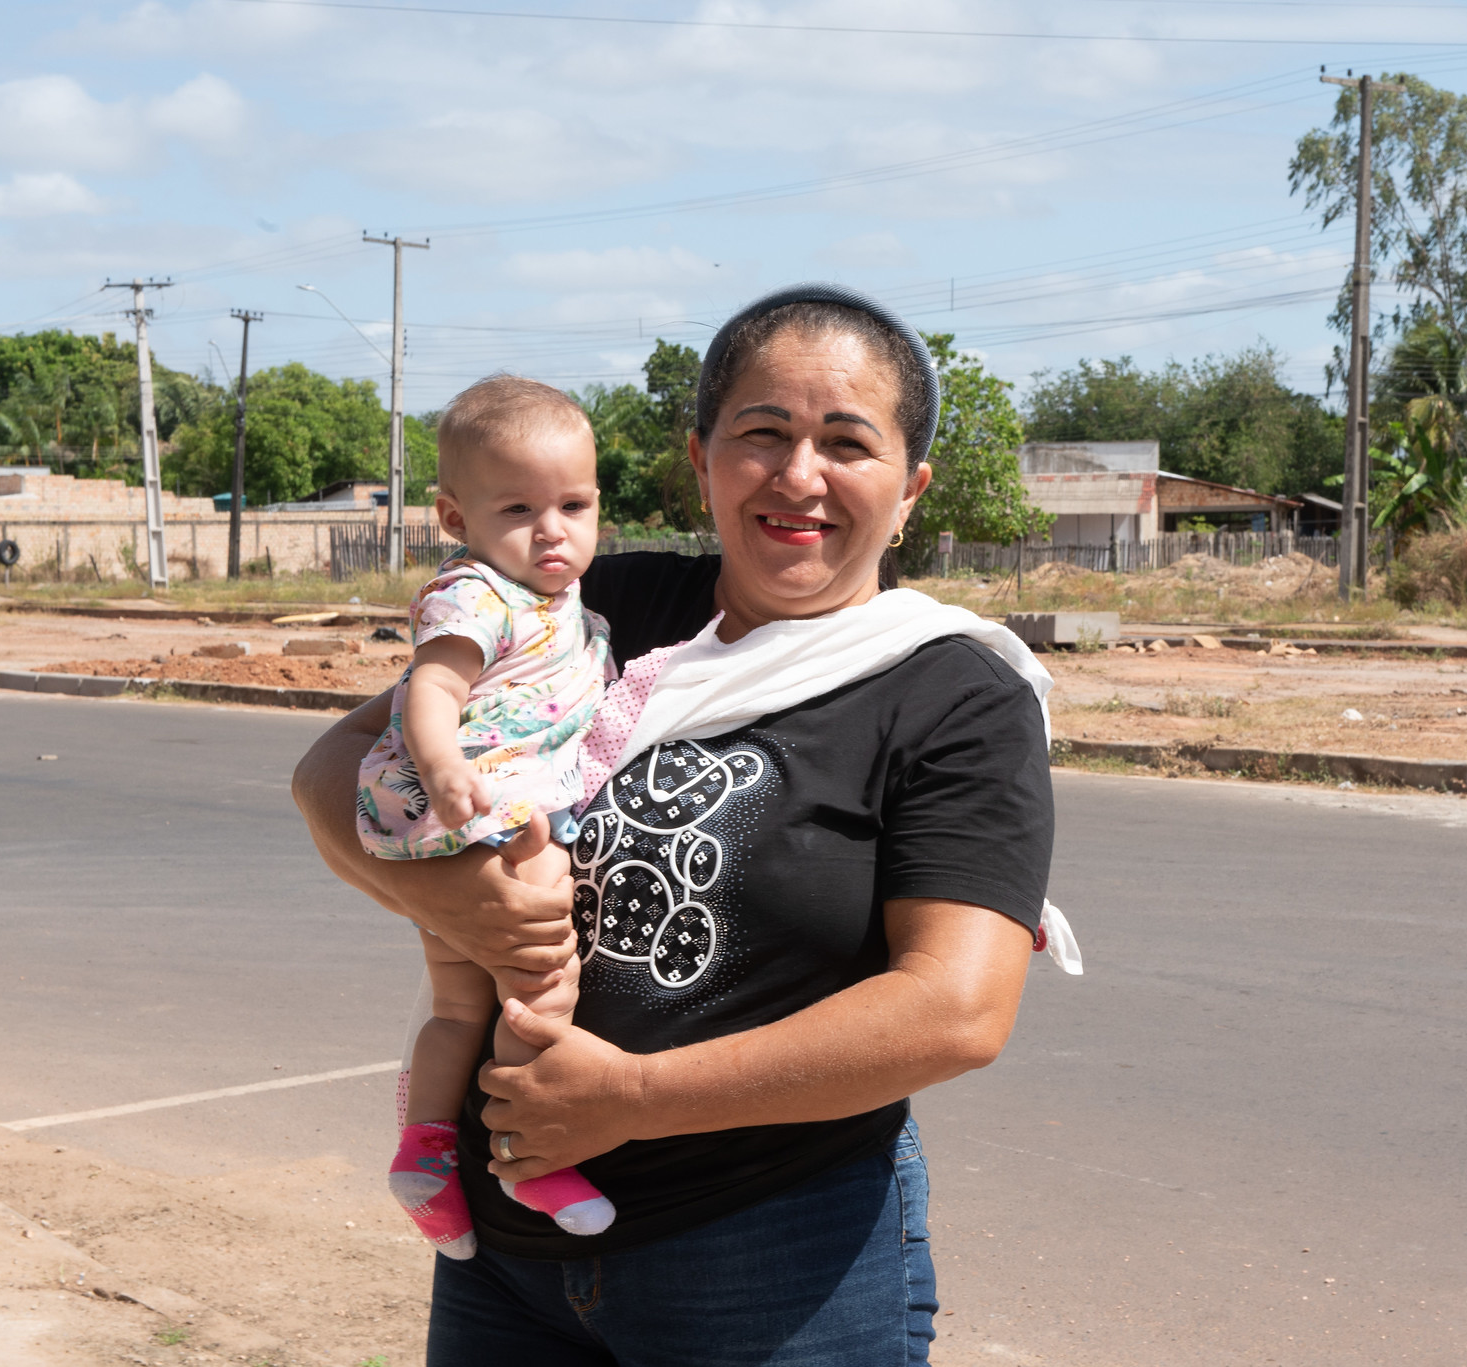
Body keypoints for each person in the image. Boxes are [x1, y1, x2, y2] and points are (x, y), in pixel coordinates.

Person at [293, 283, 1059, 1366]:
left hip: (772, 1254)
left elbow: (954, 1009)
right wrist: (449, 897)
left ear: (908, 488)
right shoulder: (604, 608)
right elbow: (333, 771)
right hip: (506, 1258)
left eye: (846, 442)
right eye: (762, 433)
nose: (800, 475)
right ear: (701, 460)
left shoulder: (953, 695)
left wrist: (630, 1098)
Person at [359, 375, 618, 1257]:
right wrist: (443, 769)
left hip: (465, 817)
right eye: (518, 508)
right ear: (454, 517)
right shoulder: (475, 595)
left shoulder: (553, 596)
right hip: (494, 809)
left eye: (574, 503)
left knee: (457, 1007)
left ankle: (425, 1155)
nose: (553, 529)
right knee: (545, 987)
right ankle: (525, 1153)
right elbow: (431, 685)